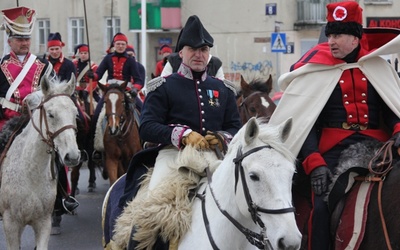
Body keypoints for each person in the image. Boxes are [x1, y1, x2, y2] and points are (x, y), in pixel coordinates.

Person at [269, 1, 400, 249]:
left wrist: (398, 131)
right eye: (329, 35)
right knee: (320, 207)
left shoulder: (377, 67)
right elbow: (303, 123)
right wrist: (315, 163)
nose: (330, 41)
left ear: (355, 38)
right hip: (333, 150)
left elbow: (392, 109)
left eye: (338, 35)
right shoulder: (314, 71)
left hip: (379, 146)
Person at [117, 15, 241, 249]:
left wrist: (222, 137)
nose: (198, 54)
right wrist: (182, 135)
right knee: (150, 213)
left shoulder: (222, 89)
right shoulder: (163, 86)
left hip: (215, 158)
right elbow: (147, 127)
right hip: (173, 158)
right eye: (192, 49)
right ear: (180, 53)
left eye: (203, 49)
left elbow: (236, 127)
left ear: (209, 54)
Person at [89, 33, 144, 161]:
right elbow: (99, 73)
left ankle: (145, 141)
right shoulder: (108, 58)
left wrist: (135, 89)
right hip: (110, 91)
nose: (120, 46)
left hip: (126, 90)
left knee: (144, 111)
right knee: (96, 116)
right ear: (114, 45)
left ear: (126, 45)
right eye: (118, 44)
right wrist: (93, 75)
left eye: (122, 44)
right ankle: (95, 149)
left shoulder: (130, 60)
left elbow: (138, 79)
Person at [0, 6, 54, 131]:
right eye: (19, 40)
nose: (24, 43)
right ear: (10, 42)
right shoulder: (1, 65)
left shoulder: (44, 65)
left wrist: (38, 96)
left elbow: (54, 92)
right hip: (6, 122)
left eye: (27, 39)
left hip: (38, 119)